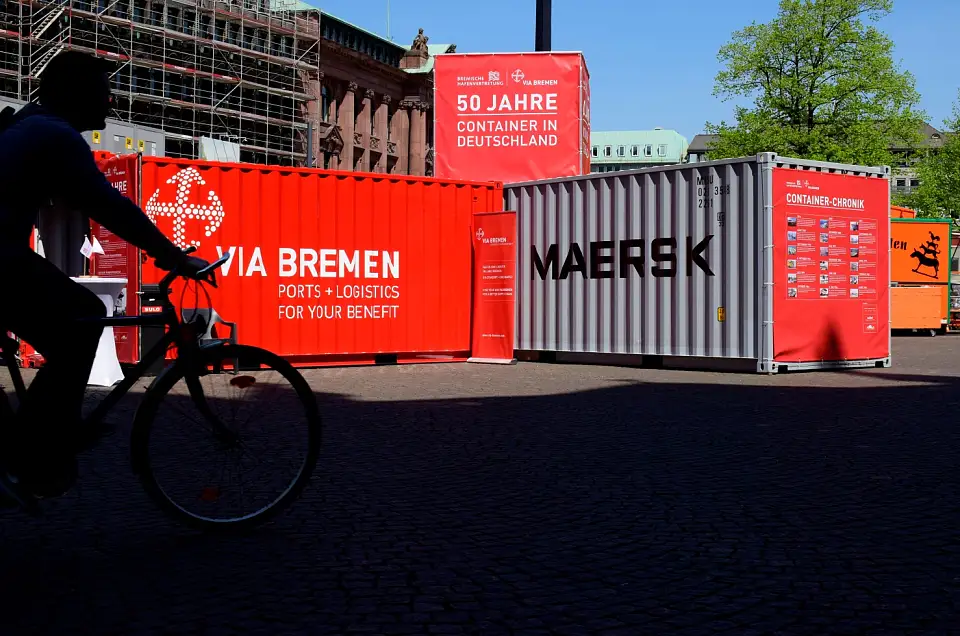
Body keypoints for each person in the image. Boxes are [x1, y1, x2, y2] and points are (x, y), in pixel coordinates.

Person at [0, 51, 209, 505]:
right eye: (103, 91)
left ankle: (35, 443)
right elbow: (108, 206)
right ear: (74, 94)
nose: (110, 102)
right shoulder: (54, 135)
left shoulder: (31, 127)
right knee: (85, 315)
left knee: (71, 322)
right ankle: (36, 451)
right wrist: (172, 256)